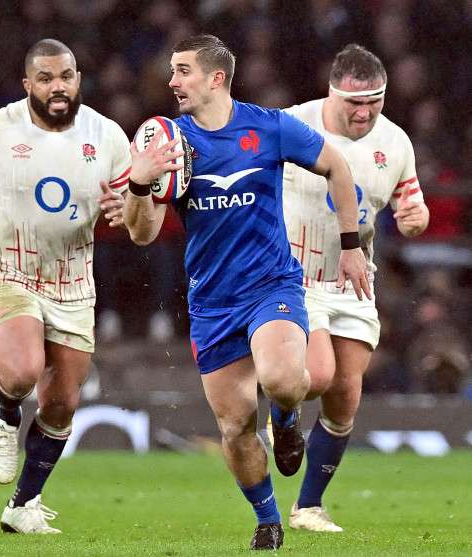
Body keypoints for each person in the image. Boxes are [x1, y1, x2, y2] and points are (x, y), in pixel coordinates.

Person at [123, 35, 369, 550]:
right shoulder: (170, 142)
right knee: (235, 425)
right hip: (212, 302)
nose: (172, 81)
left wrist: (351, 247)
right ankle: (268, 520)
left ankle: (286, 418)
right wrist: (140, 183)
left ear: (216, 78)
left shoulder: (270, 127)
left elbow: (337, 167)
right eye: (172, 71)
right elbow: (142, 234)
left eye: (183, 71)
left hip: (271, 284)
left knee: (283, 380)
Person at [0, 38, 131, 534]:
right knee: (22, 370)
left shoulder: (107, 135)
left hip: (74, 282)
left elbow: (140, 218)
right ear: (28, 84)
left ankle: (23, 504)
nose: (58, 87)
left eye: (67, 76)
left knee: (62, 404)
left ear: (78, 79)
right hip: (9, 271)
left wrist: (130, 208)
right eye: (47, 78)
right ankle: (7, 416)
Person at [281, 44, 429, 532]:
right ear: (331, 93)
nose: (365, 113)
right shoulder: (291, 125)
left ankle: (308, 507)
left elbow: (411, 207)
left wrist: (415, 218)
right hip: (292, 275)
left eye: (374, 102)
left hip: (353, 280)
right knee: (318, 375)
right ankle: (282, 413)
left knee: (345, 395)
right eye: (354, 103)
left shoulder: (396, 142)